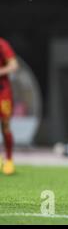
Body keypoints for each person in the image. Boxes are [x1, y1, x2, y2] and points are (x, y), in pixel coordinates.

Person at [0, 38, 19, 175]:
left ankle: (9, 159)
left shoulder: (2, 44)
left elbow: (14, 65)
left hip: (2, 91)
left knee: (5, 124)